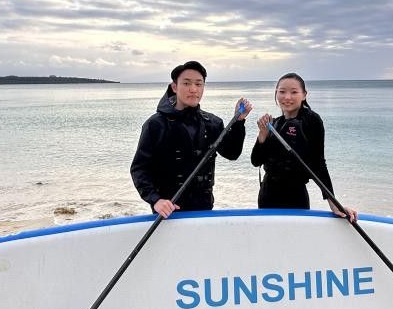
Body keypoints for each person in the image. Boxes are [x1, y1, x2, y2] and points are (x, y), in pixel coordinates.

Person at [131, 60, 252, 218]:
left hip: (204, 208)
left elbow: (232, 153)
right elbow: (139, 168)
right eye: (187, 83)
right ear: (174, 87)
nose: (193, 89)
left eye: (198, 84)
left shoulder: (212, 123)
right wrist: (156, 200)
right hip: (168, 211)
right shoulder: (155, 124)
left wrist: (238, 122)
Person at [251, 73, 357, 221]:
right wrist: (262, 134)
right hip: (267, 195)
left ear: (304, 95)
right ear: (276, 94)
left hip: (295, 196)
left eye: (294, 92)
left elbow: (318, 163)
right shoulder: (275, 123)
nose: (287, 97)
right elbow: (256, 161)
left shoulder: (311, 121)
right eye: (282, 92)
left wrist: (334, 204)